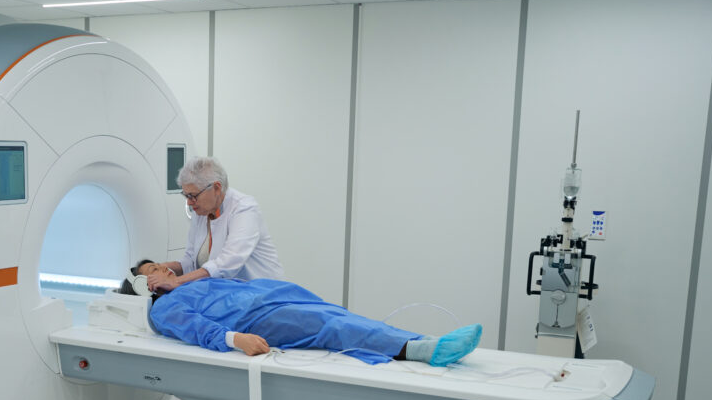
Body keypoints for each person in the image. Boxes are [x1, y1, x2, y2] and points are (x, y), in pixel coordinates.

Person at [121, 260, 482, 367]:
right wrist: (237, 340)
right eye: (154, 270)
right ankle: (426, 351)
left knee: (337, 314)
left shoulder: (189, 282)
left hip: (275, 297)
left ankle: (418, 340)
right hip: (256, 320)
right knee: (329, 325)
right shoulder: (166, 307)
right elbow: (199, 329)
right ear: (143, 286)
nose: (165, 269)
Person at [146, 156, 284, 293]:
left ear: (217, 188)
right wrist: (158, 268)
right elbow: (190, 261)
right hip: (232, 296)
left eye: (193, 196)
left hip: (264, 295)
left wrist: (175, 281)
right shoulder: (201, 212)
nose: (189, 202)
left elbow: (227, 263)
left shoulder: (244, 209)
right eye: (186, 195)